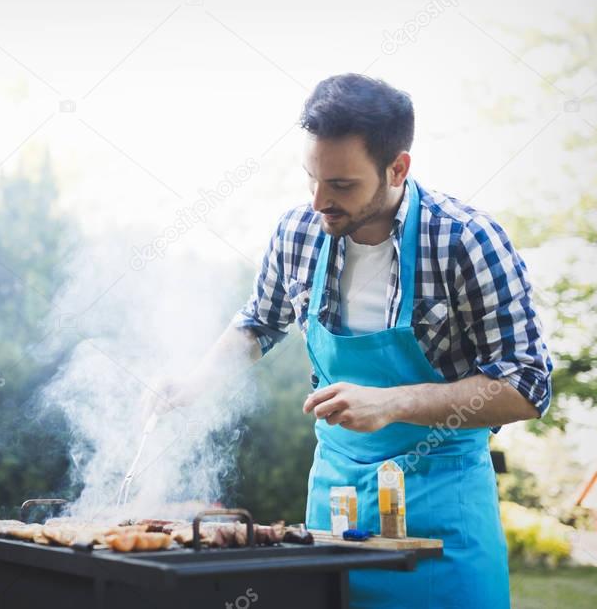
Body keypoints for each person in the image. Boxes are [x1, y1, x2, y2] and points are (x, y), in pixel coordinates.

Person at [157, 74, 552, 608]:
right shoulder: (297, 232)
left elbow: (527, 385)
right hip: (333, 517)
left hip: (443, 517)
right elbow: (259, 323)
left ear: (397, 168)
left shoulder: (466, 240)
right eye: (312, 179)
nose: (320, 201)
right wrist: (191, 386)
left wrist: (393, 403)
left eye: (341, 186)